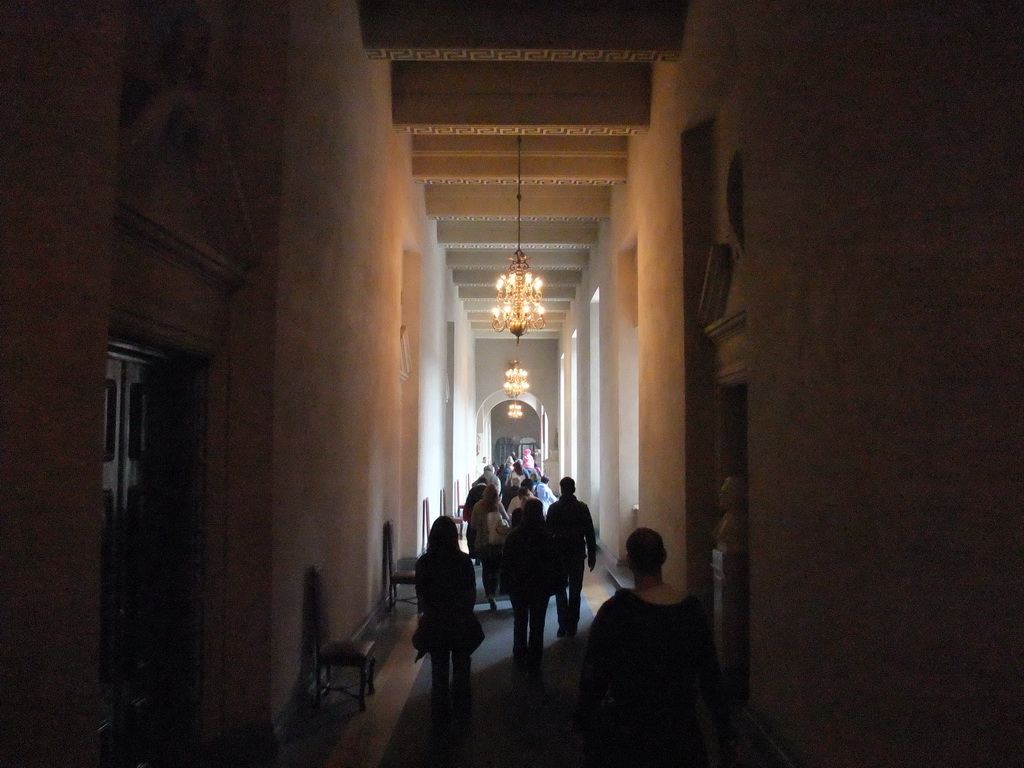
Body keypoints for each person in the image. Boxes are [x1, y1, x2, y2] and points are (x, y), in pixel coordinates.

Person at [574, 527, 738, 768]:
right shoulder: (690, 611)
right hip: (681, 733)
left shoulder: (616, 613)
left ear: (629, 560)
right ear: (663, 557)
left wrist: (582, 721)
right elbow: (710, 678)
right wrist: (725, 732)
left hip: (630, 734)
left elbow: (594, 676)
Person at [414, 517, 484, 733]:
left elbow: (422, 598)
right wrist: (461, 614)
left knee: (439, 672)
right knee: (462, 670)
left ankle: (440, 718)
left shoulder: (424, 563)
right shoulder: (463, 561)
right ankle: (463, 715)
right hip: (460, 623)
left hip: (436, 624)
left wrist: (434, 614)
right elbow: (470, 596)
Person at [500, 498, 563, 678]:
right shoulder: (547, 537)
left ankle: (519, 657)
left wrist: (505, 585)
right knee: (538, 625)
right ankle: (534, 662)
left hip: (518, 586)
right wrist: (556, 585)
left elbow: (506, 564)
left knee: (519, 622)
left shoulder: (513, 536)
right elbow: (554, 564)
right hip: (540, 588)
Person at [545, 476, 596, 637]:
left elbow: (548, 533)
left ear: (561, 489)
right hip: (576, 553)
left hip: (559, 554)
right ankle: (573, 624)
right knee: (575, 590)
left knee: (560, 589)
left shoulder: (554, 508)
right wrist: (592, 554)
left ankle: (562, 623)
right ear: (573, 489)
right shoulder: (582, 508)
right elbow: (589, 533)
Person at [472, 483, 510, 611]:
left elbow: (472, 525)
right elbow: (506, 519)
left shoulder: (478, 506)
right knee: (496, 569)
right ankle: (493, 592)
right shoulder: (498, 505)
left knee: (486, 569)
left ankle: (489, 593)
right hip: (497, 544)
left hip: (483, 544)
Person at [462, 480, 488, 562]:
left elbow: (468, 504)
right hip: (485, 517)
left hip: (472, 516)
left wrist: (466, 517)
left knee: (471, 535)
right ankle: (480, 556)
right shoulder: (487, 491)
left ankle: (473, 553)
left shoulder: (472, 491)